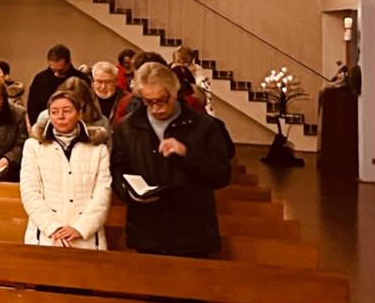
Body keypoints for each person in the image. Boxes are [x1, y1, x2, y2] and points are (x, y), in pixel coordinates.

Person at [111, 62, 233, 257]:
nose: (156, 108)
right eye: (148, 102)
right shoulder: (127, 128)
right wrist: (128, 192)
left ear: (174, 92)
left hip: (192, 233)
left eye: (162, 100)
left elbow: (221, 175)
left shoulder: (203, 126)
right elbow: (117, 170)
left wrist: (186, 153)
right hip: (146, 231)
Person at [20, 78, 113, 249]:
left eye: (66, 111)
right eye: (54, 112)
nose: (60, 116)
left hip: (87, 237)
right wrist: (52, 227)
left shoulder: (98, 149)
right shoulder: (33, 146)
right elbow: (29, 191)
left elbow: (102, 193)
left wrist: (81, 228)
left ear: (79, 113)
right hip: (45, 235)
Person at [25, 44, 77, 121]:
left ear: (68, 63)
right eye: (53, 69)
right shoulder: (40, 79)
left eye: (60, 70)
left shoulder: (80, 79)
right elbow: (33, 109)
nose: (56, 73)